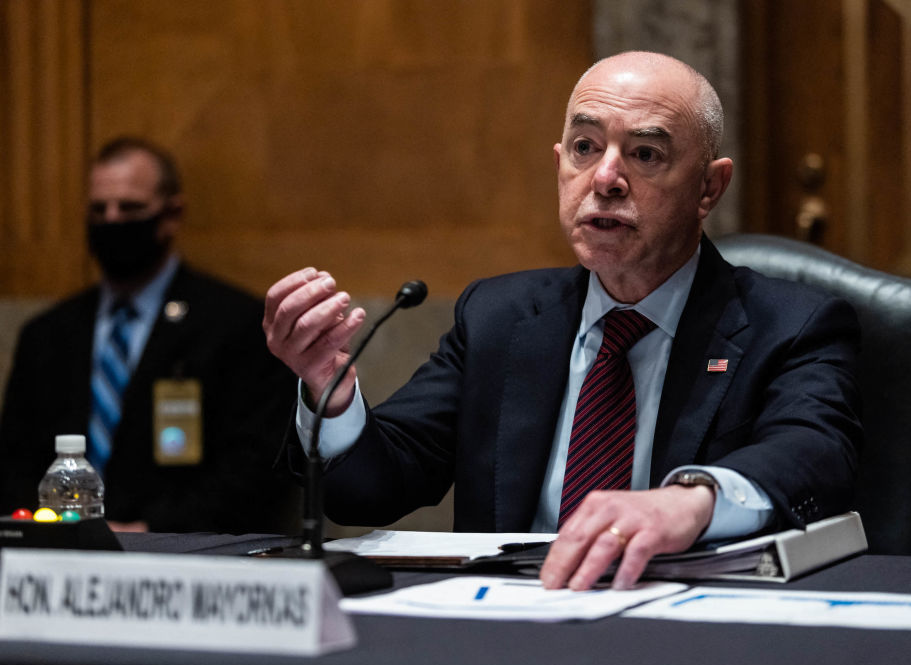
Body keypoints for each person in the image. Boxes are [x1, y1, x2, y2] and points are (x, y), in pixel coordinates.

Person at [263, 52, 862, 589]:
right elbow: (374, 490)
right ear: (560, 164)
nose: (604, 178)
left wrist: (691, 500)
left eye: (645, 154)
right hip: (507, 622)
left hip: (684, 627)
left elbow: (815, 454)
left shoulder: (792, 325)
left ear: (709, 187)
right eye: (584, 148)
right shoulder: (498, 317)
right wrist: (330, 394)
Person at [0, 137, 301, 534]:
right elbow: (14, 462)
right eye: (99, 210)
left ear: (171, 214)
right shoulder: (47, 334)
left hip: (187, 549)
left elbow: (257, 464)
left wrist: (148, 530)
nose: (112, 221)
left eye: (130, 208)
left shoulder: (237, 325)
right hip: (59, 547)